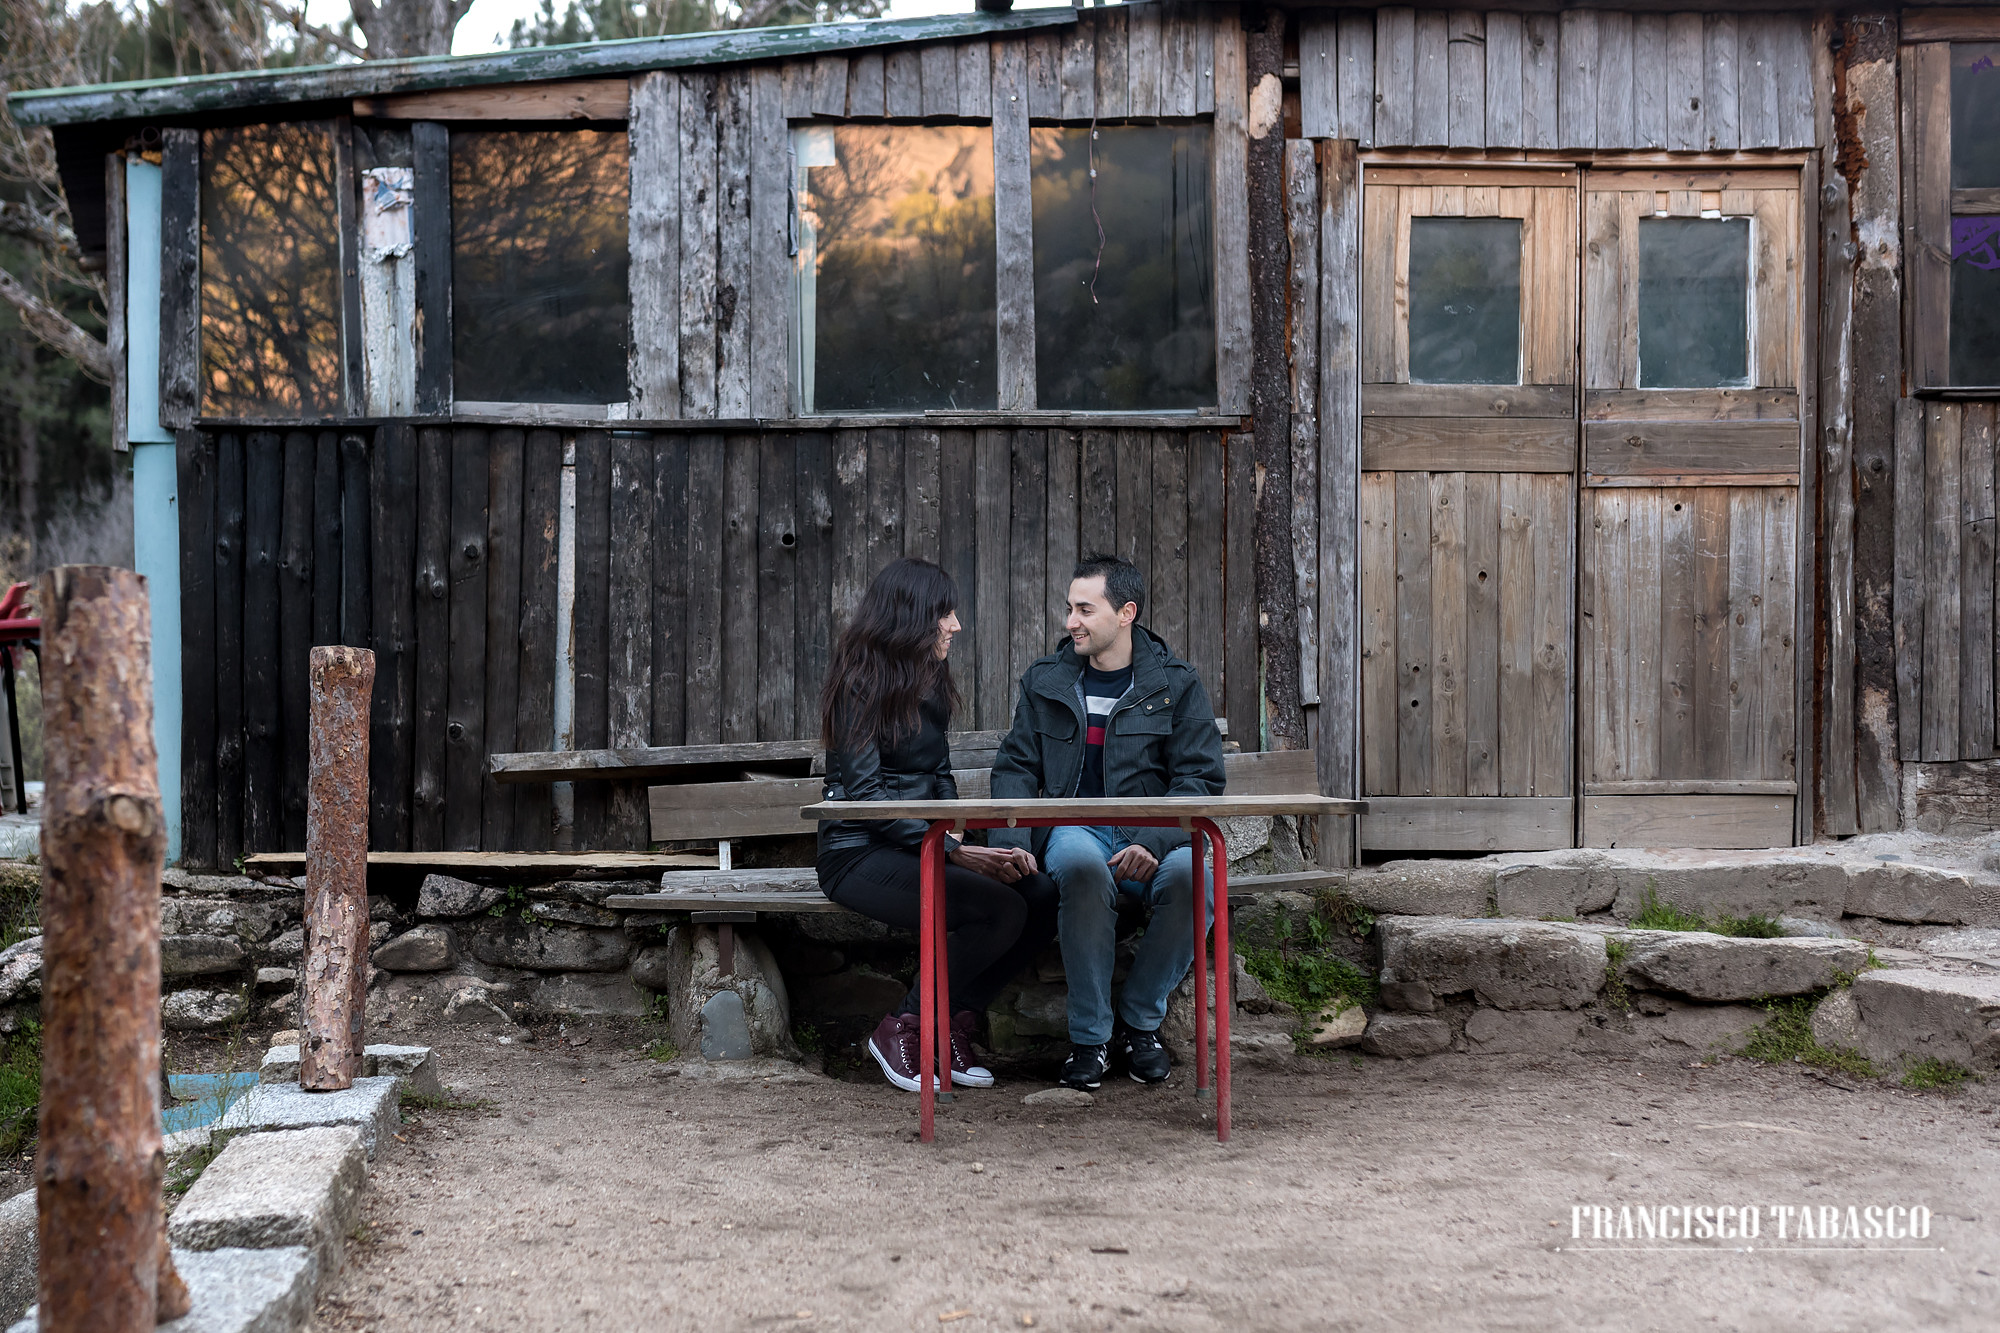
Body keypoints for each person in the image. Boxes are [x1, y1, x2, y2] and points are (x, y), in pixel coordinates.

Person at [817, 557, 1058, 1092]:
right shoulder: (860, 679)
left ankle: (949, 1021)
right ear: (911, 616)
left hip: (922, 844)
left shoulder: (928, 674)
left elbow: (939, 773)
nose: (955, 624)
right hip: (858, 852)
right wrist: (949, 850)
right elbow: (866, 796)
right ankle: (902, 1026)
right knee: (997, 909)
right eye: (944, 613)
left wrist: (966, 840)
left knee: (1039, 893)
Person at [989, 553, 1226, 1090]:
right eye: (1069, 608)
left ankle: (1139, 1026)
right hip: (1075, 828)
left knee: (1198, 877)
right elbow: (1016, 768)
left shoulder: (1175, 683)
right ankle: (1090, 1041)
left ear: (1126, 613)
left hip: (1158, 832)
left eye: (1084, 609)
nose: (1070, 621)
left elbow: (1199, 780)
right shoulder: (1045, 681)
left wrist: (1151, 840)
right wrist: (1009, 841)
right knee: (1077, 865)